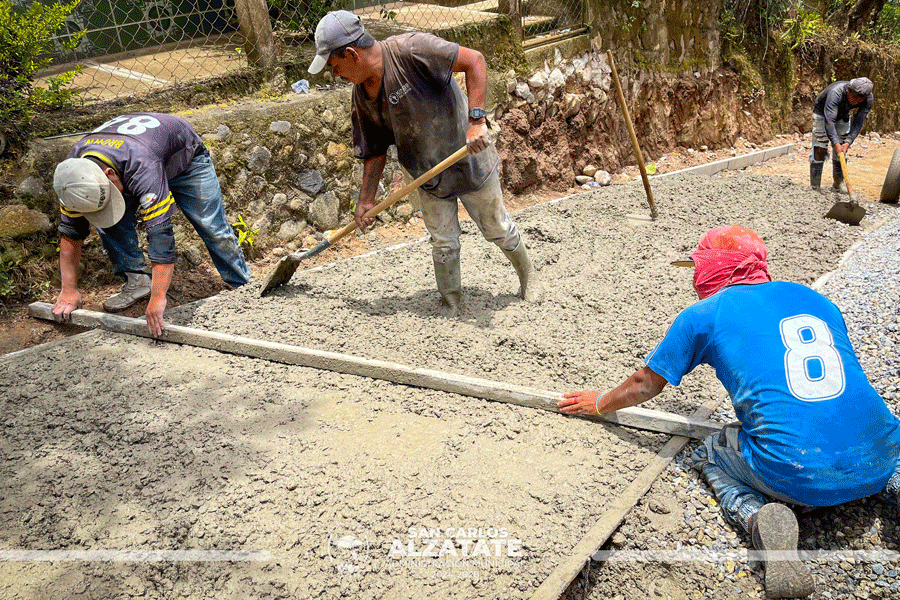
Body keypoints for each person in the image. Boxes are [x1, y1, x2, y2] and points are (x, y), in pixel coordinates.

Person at [558, 225, 900, 599]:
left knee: (709, 451)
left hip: (799, 472)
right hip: (885, 452)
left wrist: (600, 403)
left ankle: (757, 518)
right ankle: (892, 485)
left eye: (698, 266)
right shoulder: (815, 299)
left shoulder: (704, 314)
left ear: (713, 267)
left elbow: (646, 384)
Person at [308, 10, 537, 316]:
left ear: (351, 54)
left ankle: (528, 276)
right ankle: (451, 302)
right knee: (443, 241)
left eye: (335, 67)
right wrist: (366, 200)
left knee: (497, 227)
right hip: (426, 172)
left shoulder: (413, 50)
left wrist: (476, 121)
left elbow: (475, 61)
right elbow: (374, 150)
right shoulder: (362, 94)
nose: (336, 75)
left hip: (468, 156)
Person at [51, 112, 252, 337]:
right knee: (110, 223)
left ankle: (243, 285)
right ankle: (138, 280)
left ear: (109, 175)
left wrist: (158, 298)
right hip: (135, 157)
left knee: (212, 227)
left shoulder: (142, 167)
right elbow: (71, 233)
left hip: (184, 158)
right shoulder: (73, 177)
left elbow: (161, 236)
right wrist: (68, 290)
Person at [810, 77, 874, 190]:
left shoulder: (868, 99)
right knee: (820, 147)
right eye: (854, 97)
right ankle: (815, 186)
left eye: (859, 99)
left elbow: (858, 122)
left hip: (843, 113)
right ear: (848, 90)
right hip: (822, 113)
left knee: (842, 149)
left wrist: (848, 142)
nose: (855, 101)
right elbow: (829, 121)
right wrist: (835, 143)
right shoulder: (835, 93)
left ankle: (838, 183)